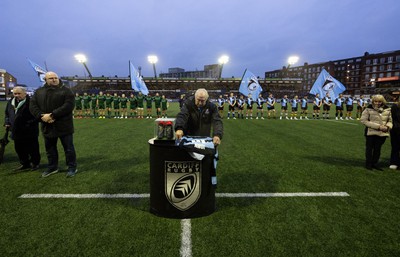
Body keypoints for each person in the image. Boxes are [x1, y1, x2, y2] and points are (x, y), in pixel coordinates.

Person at [30, 71, 78, 178]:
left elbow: (69, 106)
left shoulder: (66, 90)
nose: (54, 79)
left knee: (69, 148)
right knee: (50, 149)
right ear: (45, 80)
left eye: (55, 77)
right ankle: (52, 167)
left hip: (64, 125)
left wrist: (52, 115)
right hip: (47, 125)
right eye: (51, 78)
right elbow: (32, 106)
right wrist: (42, 116)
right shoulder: (39, 92)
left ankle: (72, 167)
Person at [4, 86, 40, 171]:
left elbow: (37, 116)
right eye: (15, 93)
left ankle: (35, 163)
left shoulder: (31, 102)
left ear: (25, 93)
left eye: (19, 93)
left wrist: (27, 124)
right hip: (16, 130)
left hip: (29, 131)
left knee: (33, 148)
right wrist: (7, 122)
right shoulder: (10, 102)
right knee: (19, 149)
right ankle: (25, 163)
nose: (16, 95)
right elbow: (7, 114)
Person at [360, 94, 392, 171]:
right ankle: (368, 164)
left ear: (382, 101)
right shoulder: (368, 109)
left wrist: (387, 127)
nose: (377, 103)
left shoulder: (388, 109)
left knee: (378, 149)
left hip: (382, 133)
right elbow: (363, 120)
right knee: (369, 149)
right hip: (370, 132)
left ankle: (374, 163)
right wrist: (378, 127)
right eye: (375, 101)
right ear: (373, 101)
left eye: (379, 102)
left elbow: (390, 121)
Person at [389, 95, 400, 170]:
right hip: (396, 130)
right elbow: (395, 118)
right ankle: (394, 162)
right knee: (395, 146)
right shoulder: (395, 106)